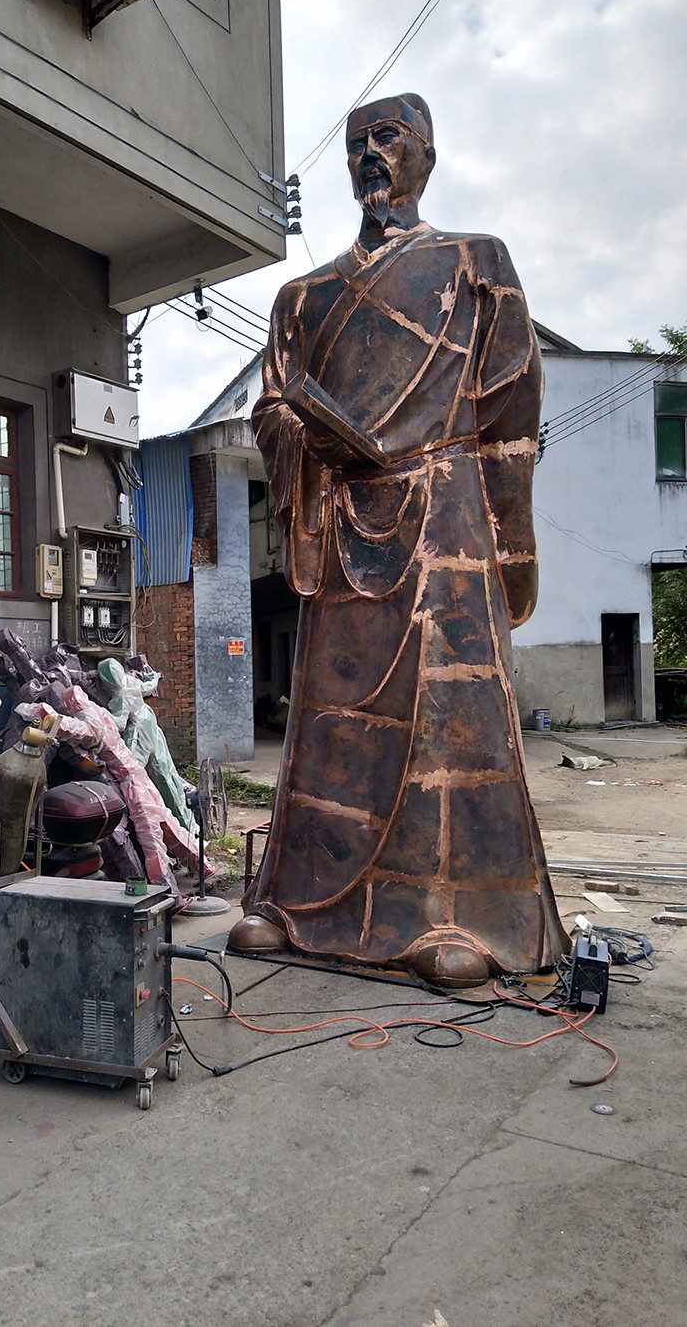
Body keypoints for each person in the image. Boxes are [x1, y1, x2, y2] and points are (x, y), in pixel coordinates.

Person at [228, 93, 570, 988]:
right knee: (331, 724)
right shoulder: (303, 297)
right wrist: (301, 434)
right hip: (345, 519)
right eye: (356, 144)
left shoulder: (475, 264)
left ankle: (458, 912)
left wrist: (512, 544)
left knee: (445, 728)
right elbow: (272, 403)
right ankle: (298, 900)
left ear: (426, 155)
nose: (370, 157)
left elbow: (511, 415)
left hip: (449, 516)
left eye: (389, 138)